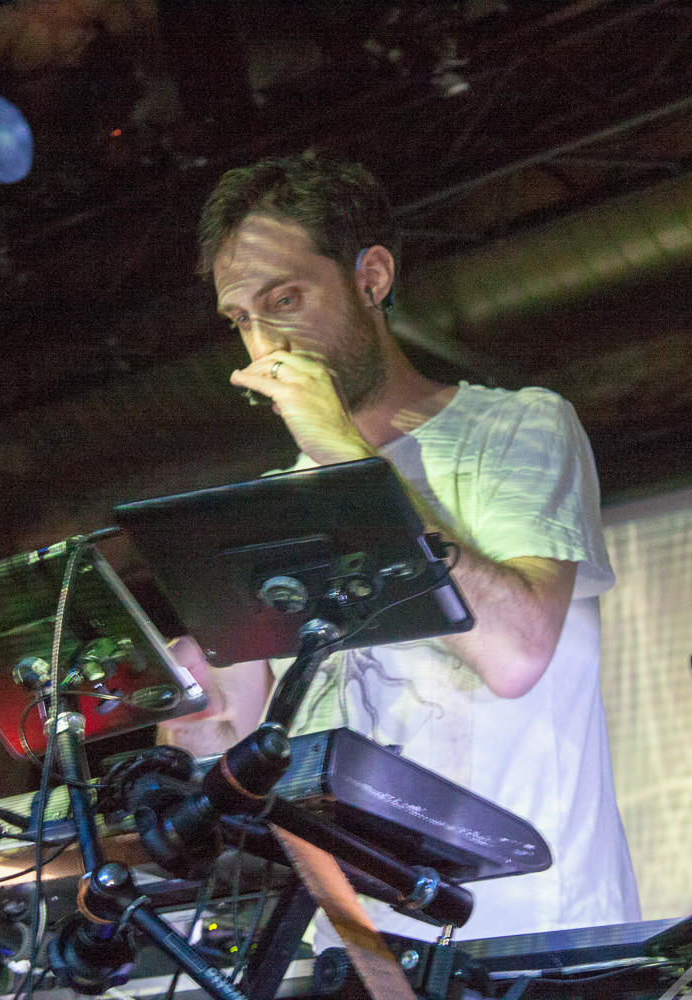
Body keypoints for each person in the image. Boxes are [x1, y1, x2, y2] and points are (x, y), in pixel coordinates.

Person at [158, 151, 640, 941]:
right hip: (355, 946)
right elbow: (229, 741)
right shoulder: (276, 503)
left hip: (527, 935)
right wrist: (182, 711)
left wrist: (345, 456)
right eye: (241, 319)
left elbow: (517, 654)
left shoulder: (517, 426)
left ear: (372, 277)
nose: (264, 344)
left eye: (286, 300)